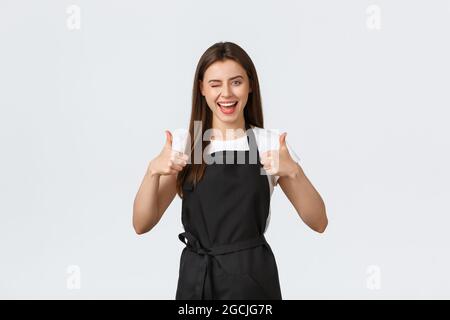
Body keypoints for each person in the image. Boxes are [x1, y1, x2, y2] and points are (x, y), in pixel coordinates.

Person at [133, 41, 328, 300]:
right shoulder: (186, 144)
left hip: (252, 284)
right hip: (197, 282)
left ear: (250, 85)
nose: (226, 93)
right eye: (215, 84)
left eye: (236, 82)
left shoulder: (269, 143)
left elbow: (319, 222)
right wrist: (152, 172)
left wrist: (294, 172)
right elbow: (142, 223)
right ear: (201, 88)